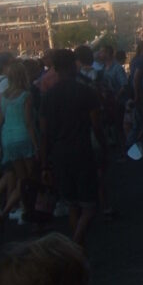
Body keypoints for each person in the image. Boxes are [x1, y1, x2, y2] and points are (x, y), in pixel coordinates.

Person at [40, 49, 104, 249]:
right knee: (90, 206)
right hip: (81, 150)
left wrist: (44, 164)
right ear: (72, 66)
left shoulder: (48, 96)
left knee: (72, 204)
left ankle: (79, 250)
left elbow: (44, 133)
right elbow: (96, 125)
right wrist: (104, 149)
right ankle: (75, 245)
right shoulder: (85, 91)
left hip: (59, 153)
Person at [0, 62, 38, 222]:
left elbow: (0, 121)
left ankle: (9, 211)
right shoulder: (26, 95)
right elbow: (28, 123)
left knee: (21, 177)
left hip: (8, 138)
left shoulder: (2, 96)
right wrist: (36, 145)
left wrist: (0, 141)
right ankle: (28, 210)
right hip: (24, 137)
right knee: (31, 177)